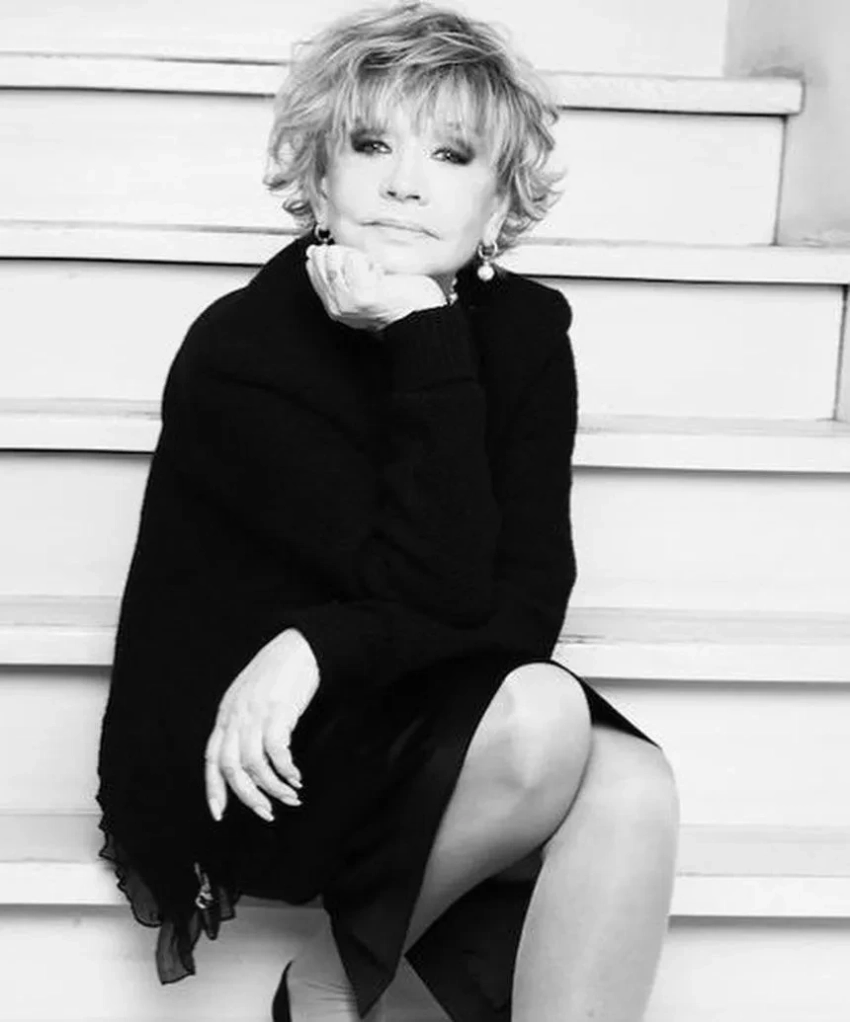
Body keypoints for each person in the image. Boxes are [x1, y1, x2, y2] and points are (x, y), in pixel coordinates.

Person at [95, 3, 680, 1021]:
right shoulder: (245, 349)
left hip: (401, 698)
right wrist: (427, 343)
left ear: (497, 205)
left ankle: (326, 981)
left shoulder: (526, 333)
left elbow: (520, 606)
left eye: (451, 155)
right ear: (321, 182)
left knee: (632, 781)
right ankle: (336, 982)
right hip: (255, 748)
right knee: (541, 717)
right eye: (372, 146)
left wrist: (423, 332)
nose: (406, 182)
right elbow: (440, 585)